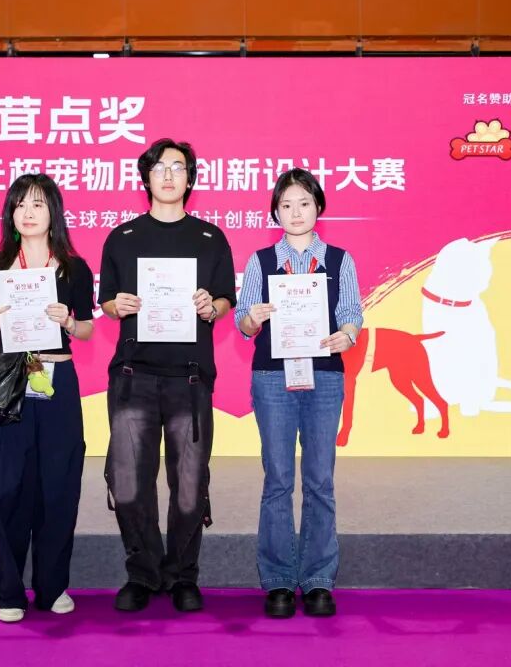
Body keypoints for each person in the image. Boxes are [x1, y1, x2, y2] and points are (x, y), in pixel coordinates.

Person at [98, 137, 237, 612]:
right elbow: (107, 301)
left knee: (190, 482)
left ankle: (182, 575)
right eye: (159, 168)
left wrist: (211, 307)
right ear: (146, 178)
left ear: (190, 178)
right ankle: (142, 573)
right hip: (133, 376)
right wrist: (117, 305)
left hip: (189, 378)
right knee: (129, 481)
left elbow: (225, 299)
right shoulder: (122, 237)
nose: (169, 175)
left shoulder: (210, 238)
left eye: (178, 167)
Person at [235, 168, 363, 618]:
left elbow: (352, 313)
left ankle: (318, 579)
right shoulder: (261, 262)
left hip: (324, 375)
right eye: (286, 205)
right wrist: (253, 318)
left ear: (318, 208)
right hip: (273, 376)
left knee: (320, 479)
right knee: (277, 479)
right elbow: (243, 323)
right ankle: (277, 580)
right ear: (275, 212)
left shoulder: (340, 261)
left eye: (304, 203)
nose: (295, 212)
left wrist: (348, 335)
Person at [0, 173, 95, 623]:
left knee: (59, 485)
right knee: (7, 486)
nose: (28, 212)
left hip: (57, 382)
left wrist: (69, 322)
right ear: (11, 213)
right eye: (20, 204)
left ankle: (52, 585)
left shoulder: (74, 268)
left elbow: (87, 329)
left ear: (53, 213)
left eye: (38, 204)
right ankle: (9, 591)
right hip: (10, 383)